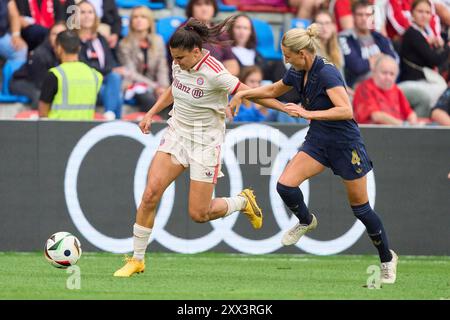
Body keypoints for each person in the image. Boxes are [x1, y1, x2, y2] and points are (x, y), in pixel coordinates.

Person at [113, 18, 287, 278]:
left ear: (196, 51)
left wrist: (286, 108)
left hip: (205, 141)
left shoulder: (216, 73)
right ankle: (137, 259)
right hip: (177, 133)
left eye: (181, 58)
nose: (177, 62)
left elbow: (251, 92)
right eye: (174, 58)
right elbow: (175, 87)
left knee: (199, 213)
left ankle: (242, 202)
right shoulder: (179, 60)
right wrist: (151, 112)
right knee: (150, 194)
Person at [229, 23, 399, 284]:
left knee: (361, 209)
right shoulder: (297, 72)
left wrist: (308, 113)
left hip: (345, 144)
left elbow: (346, 110)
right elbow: (273, 91)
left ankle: (387, 259)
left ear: (302, 53)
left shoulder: (327, 73)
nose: (284, 59)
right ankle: (306, 220)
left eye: (287, 55)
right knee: (285, 186)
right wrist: (243, 93)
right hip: (319, 139)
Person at [398, 0, 449, 117]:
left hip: (423, 81)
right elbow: (434, 60)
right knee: (443, 95)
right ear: (412, 13)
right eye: (420, 11)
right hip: (414, 82)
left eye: (427, 12)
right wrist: (447, 48)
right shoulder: (412, 33)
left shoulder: (422, 33)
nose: (424, 15)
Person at [38, 30, 103, 120]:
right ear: (79, 48)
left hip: (57, 131)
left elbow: (43, 112)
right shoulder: (95, 75)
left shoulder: (55, 75)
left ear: (59, 48)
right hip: (85, 131)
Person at [76, 0, 124, 120]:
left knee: (115, 77)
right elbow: (82, 65)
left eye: (90, 12)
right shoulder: (73, 39)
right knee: (115, 95)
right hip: (85, 81)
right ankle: (114, 121)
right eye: (82, 12)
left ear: (95, 16)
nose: (87, 16)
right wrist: (84, 42)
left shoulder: (100, 38)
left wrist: (114, 69)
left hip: (104, 80)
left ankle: (109, 115)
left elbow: (110, 61)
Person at [117, 6, 169, 115]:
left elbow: (162, 67)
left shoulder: (158, 41)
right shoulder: (124, 44)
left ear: (150, 21)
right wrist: (155, 87)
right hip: (133, 85)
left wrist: (163, 87)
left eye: (143, 17)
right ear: (131, 22)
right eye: (135, 17)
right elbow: (131, 73)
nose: (139, 20)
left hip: (155, 85)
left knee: (169, 99)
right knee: (149, 99)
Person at [339, 0, 398, 88]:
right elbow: (356, 67)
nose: (364, 18)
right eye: (360, 14)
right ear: (353, 16)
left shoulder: (379, 37)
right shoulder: (345, 37)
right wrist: (379, 58)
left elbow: (393, 60)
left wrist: (370, 62)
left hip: (385, 84)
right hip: (359, 86)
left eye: (367, 15)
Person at [10, 21, 66, 108]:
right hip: (23, 81)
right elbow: (42, 85)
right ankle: (39, 119)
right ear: (49, 36)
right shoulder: (40, 54)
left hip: (45, 83)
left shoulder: (70, 53)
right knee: (40, 95)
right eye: (54, 34)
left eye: (61, 34)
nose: (57, 37)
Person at [353, 55, 422, 125]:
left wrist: (413, 122)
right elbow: (376, 116)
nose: (388, 77)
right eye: (384, 73)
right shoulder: (364, 88)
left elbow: (409, 113)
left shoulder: (395, 89)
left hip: (397, 131)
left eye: (392, 74)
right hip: (374, 133)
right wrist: (403, 125)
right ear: (374, 72)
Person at [0, 0, 27, 72]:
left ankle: (13, 80)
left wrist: (16, 35)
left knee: (20, 49)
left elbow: (14, 15)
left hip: (2, 36)